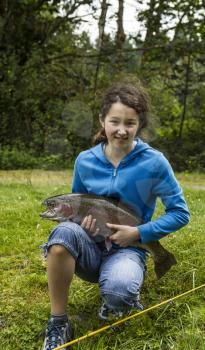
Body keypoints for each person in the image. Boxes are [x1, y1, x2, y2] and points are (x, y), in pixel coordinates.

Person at [41, 82, 190, 349]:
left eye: (130, 123)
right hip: (90, 247)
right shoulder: (84, 161)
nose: (121, 130)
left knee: (118, 294)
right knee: (63, 232)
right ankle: (58, 321)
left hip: (129, 249)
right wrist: (84, 227)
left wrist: (138, 233)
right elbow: (79, 204)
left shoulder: (155, 162)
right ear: (102, 120)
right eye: (114, 121)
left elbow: (180, 213)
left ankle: (123, 289)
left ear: (139, 124)